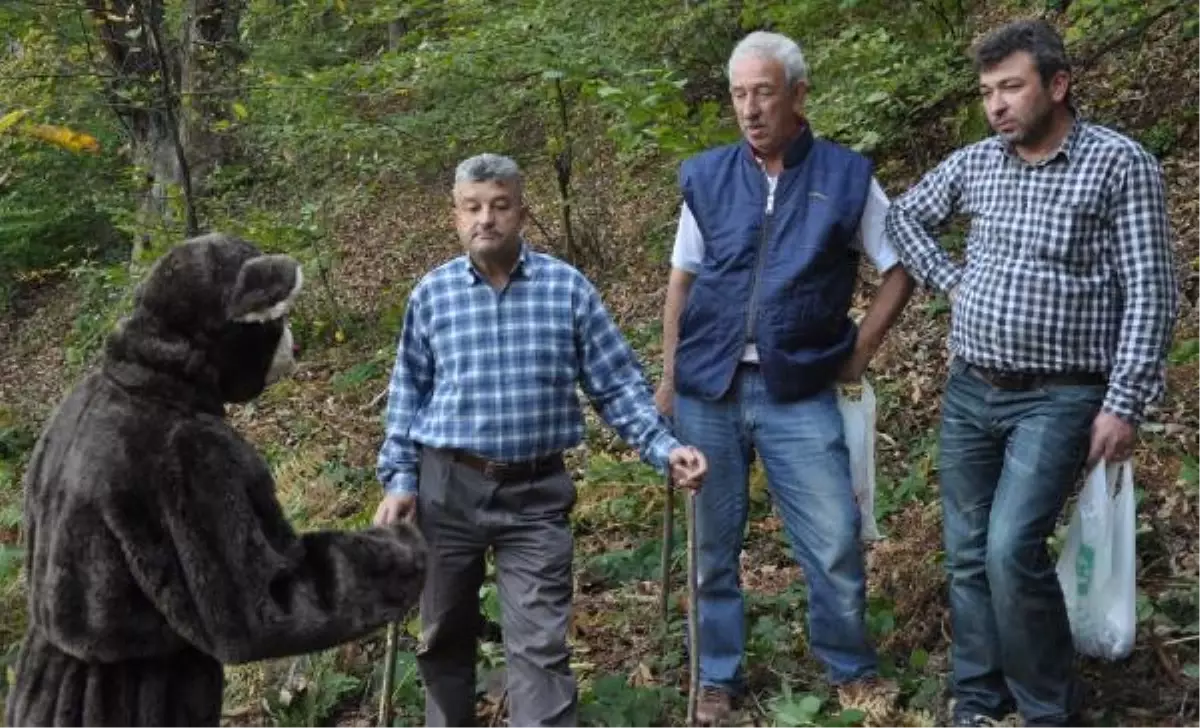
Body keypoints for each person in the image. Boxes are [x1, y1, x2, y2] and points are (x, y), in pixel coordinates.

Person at [884, 19, 1179, 727]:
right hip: (971, 389)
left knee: (1011, 549)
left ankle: (1050, 708)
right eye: (987, 91)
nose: (996, 105)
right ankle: (979, 704)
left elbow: (1153, 290)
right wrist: (954, 282)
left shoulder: (1118, 164)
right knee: (965, 555)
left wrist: (1124, 403)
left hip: (1061, 394)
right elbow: (903, 218)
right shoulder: (978, 162)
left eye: (1010, 87)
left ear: (1058, 84)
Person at [6, 234, 427, 728]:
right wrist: (400, 558)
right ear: (227, 334)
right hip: (135, 704)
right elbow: (258, 609)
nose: (289, 342)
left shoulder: (95, 396)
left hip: (46, 688)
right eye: (275, 326)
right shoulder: (184, 445)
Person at [373, 153, 708, 728]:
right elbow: (409, 395)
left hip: (534, 496)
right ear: (454, 217)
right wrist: (400, 480)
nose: (486, 219)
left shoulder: (567, 290)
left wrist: (663, 447)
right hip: (445, 490)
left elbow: (617, 385)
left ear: (522, 212)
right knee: (440, 636)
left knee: (540, 647)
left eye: (499, 206)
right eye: (472, 207)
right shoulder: (432, 295)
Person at [655, 30, 915, 724]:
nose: (750, 109)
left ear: (798, 95)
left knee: (832, 538)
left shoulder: (846, 176)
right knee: (713, 546)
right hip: (708, 386)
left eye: (763, 93)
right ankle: (717, 677)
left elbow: (899, 267)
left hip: (796, 388)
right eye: (739, 94)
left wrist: (860, 351)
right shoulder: (708, 177)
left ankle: (851, 668)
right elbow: (683, 280)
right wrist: (669, 374)